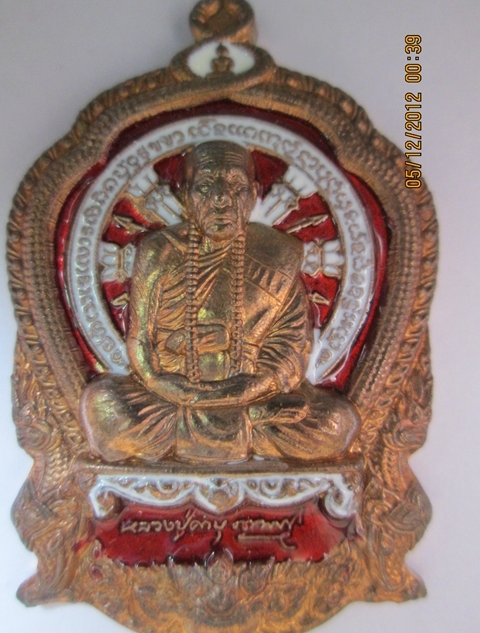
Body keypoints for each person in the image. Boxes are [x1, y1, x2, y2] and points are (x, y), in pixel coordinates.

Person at [80, 141, 359, 464]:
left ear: (253, 194)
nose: (221, 198)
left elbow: (291, 348)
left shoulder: (276, 255)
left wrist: (253, 388)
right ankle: (245, 424)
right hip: (172, 398)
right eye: (206, 186)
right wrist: (161, 383)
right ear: (186, 195)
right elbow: (140, 341)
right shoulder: (159, 252)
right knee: (102, 407)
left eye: (235, 186)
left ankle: (237, 421)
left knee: (337, 422)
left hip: (251, 396)